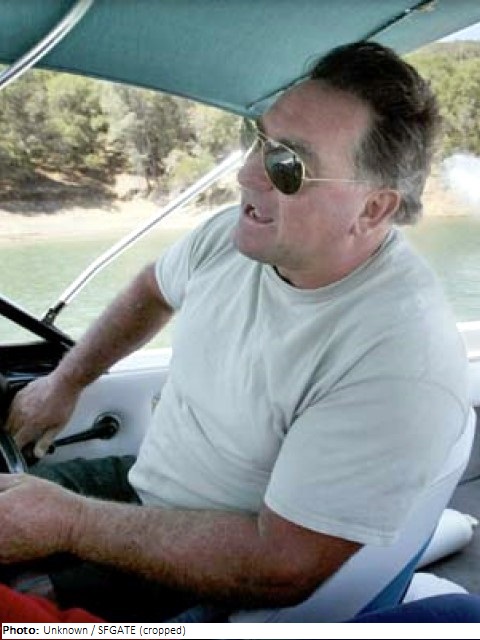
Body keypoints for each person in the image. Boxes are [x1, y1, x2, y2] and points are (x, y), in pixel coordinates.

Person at [0, 41, 470, 621]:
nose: (247, 175)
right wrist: (65, 383)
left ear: (372, 209)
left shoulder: (401, 362)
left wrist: (69, 523)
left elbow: (280, 565)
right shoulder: (232, 238)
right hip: (142, 481)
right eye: (258, 140)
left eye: (288, 167)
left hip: (215, 566)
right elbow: (152, 290)